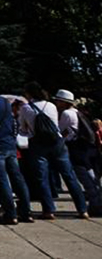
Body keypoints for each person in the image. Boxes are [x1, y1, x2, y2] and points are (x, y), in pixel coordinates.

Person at [18, 82, 89, 220]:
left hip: (38, 144)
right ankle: (82, 209)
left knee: (41, 177)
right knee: (69, 176)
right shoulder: (51, 105)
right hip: (57, 142)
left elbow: (23, 129)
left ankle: (48, 210)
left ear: (28, 93)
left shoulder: (26, 108)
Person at [55, 90, 102, 216]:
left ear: (64, 102)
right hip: (88, 150)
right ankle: (96, 204)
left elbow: (60, 131)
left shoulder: (66, 113)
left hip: (77, 150)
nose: (56, 103)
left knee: (86, 180)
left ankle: (96, 206)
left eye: (58, 101)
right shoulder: (78, 112)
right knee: (93, 179)